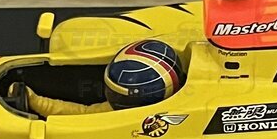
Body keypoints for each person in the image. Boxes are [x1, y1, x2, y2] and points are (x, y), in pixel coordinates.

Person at [22, 39, 185, 116]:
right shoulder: (127, 105)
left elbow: (83, 115)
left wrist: (37, 103)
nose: (109, 95)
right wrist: (35, 101)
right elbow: (83, 112)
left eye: (117, 94)